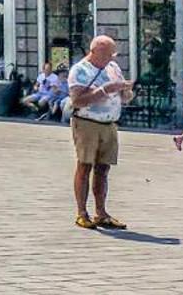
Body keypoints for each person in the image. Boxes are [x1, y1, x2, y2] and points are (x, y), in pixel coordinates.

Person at [67, 34, 134, 230]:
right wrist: (105, 90)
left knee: (103, 168)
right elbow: (77, 100)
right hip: (87, 123)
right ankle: (81, 213)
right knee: (85, 166)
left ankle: (101, 213)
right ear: (94, 51)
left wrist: (126, 92)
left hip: (110, 123)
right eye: (107, 54)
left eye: (113, 54)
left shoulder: (113, 68)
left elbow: (124, 96)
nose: (111, 58)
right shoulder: (79, 70)